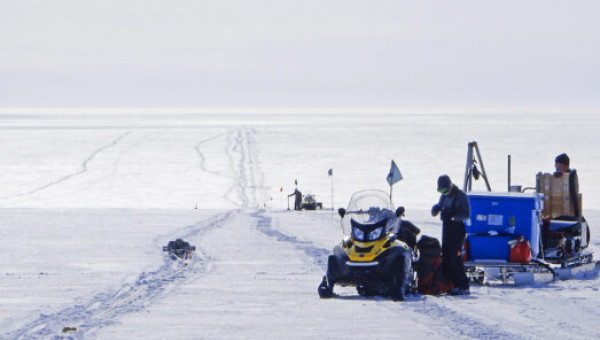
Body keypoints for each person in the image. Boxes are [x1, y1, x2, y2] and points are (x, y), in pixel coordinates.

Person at [431, 174, 471, 295]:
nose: (443, 193)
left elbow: (466, 214)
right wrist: (436, 208)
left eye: (445, 190)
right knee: (447, 256)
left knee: (455, 257)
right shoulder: (444, 197)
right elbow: (439, 206)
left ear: (450, 186)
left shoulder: (461, 196)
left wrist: (453, 217)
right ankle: (451, 284)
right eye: (440, 190)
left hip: (457, 229)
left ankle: (463, 285)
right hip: (447, 228)